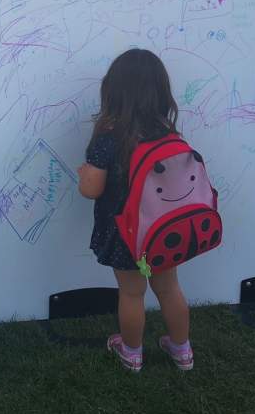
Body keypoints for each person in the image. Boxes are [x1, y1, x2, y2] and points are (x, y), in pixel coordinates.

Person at [78, 48, 192, 372]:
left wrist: (84, 174)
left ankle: (131, 352)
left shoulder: (109, 136)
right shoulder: (167, 132)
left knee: (131, 293)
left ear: (112, 90)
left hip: (126, 233)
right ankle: (182, 350)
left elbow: (91, 189)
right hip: (163, 229)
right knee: (169, 288)